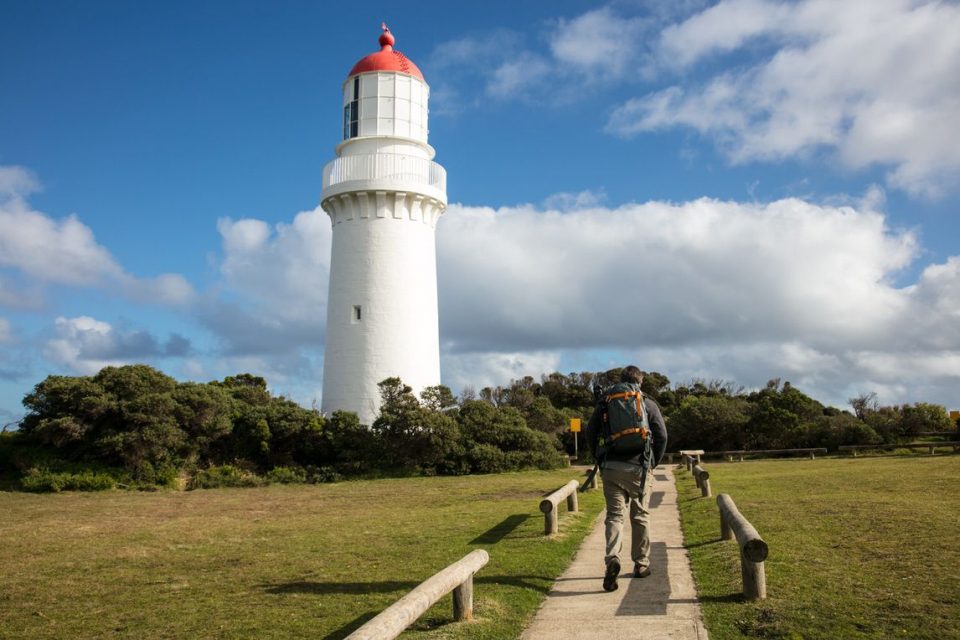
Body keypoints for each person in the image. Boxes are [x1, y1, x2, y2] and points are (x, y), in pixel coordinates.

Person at [586, 365, 668, 592]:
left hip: (611, 467)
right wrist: (652, 463)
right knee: (640, 515)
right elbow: (661, 435)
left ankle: (612, 557)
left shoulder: (605, 402)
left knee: (614, 516)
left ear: (620, 381)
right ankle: (641, 564)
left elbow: (590, 432)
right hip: (639, 469)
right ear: (640, 382)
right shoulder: (647, 403)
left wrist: (599, 458)